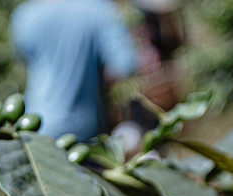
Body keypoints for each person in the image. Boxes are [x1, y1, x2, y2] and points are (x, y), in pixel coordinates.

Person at [10, 0, 138, 141]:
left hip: (35, 122)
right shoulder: (100, 10)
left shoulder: (27, 13)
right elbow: (124, 65)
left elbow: (24, 55)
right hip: (82, 129)